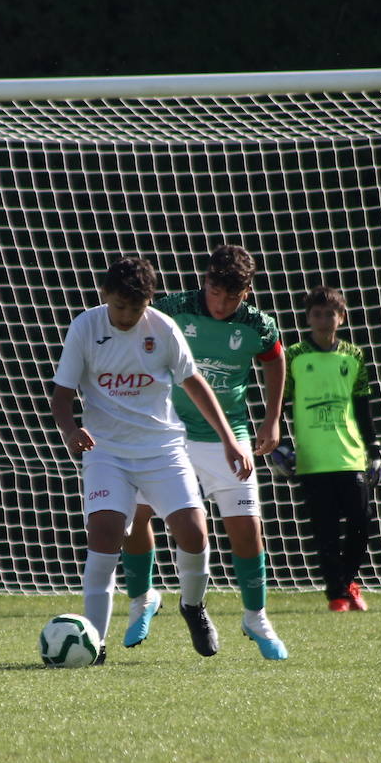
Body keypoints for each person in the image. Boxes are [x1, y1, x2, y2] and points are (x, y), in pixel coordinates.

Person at [50, 256, 253, 663]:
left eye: (136, 308)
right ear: (104, 295)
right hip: (106, 451)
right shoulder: (85, 327)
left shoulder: (163, 329)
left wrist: (229, 441)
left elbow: (194, 383)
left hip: (162, 448)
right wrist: (71, 431)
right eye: (119, 306)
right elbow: (62, 395)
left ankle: (192, 607)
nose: (126, 316)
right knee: (104, 535)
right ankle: (95, 643)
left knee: (194, 532)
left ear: (149, 302)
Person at [119, 244, 288, 660]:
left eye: (231, 296)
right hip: (165, 435)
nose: (220, 302)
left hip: (227, 435)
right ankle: (142, 600)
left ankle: (255, 615)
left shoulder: (258, 325)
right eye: (215, 291)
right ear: (205, 280)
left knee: (247, 529)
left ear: (245, 293)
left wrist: (272, 418)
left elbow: (274, 360)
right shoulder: (175, 307)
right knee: (135, 515)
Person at [281, 285, 381, 611]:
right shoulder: (294, 355)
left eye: (330, 314)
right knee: (324, 531)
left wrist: (375, 449)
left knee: (361, 522)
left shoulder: (353, 356)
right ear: (308, 317)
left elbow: (362, 403)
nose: (323, 319)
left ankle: (348, 582)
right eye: (316, 313)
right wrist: (281, 445)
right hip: (312, 459)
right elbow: (279, 402)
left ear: (342, 317)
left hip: (350, 455)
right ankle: (337, 594)